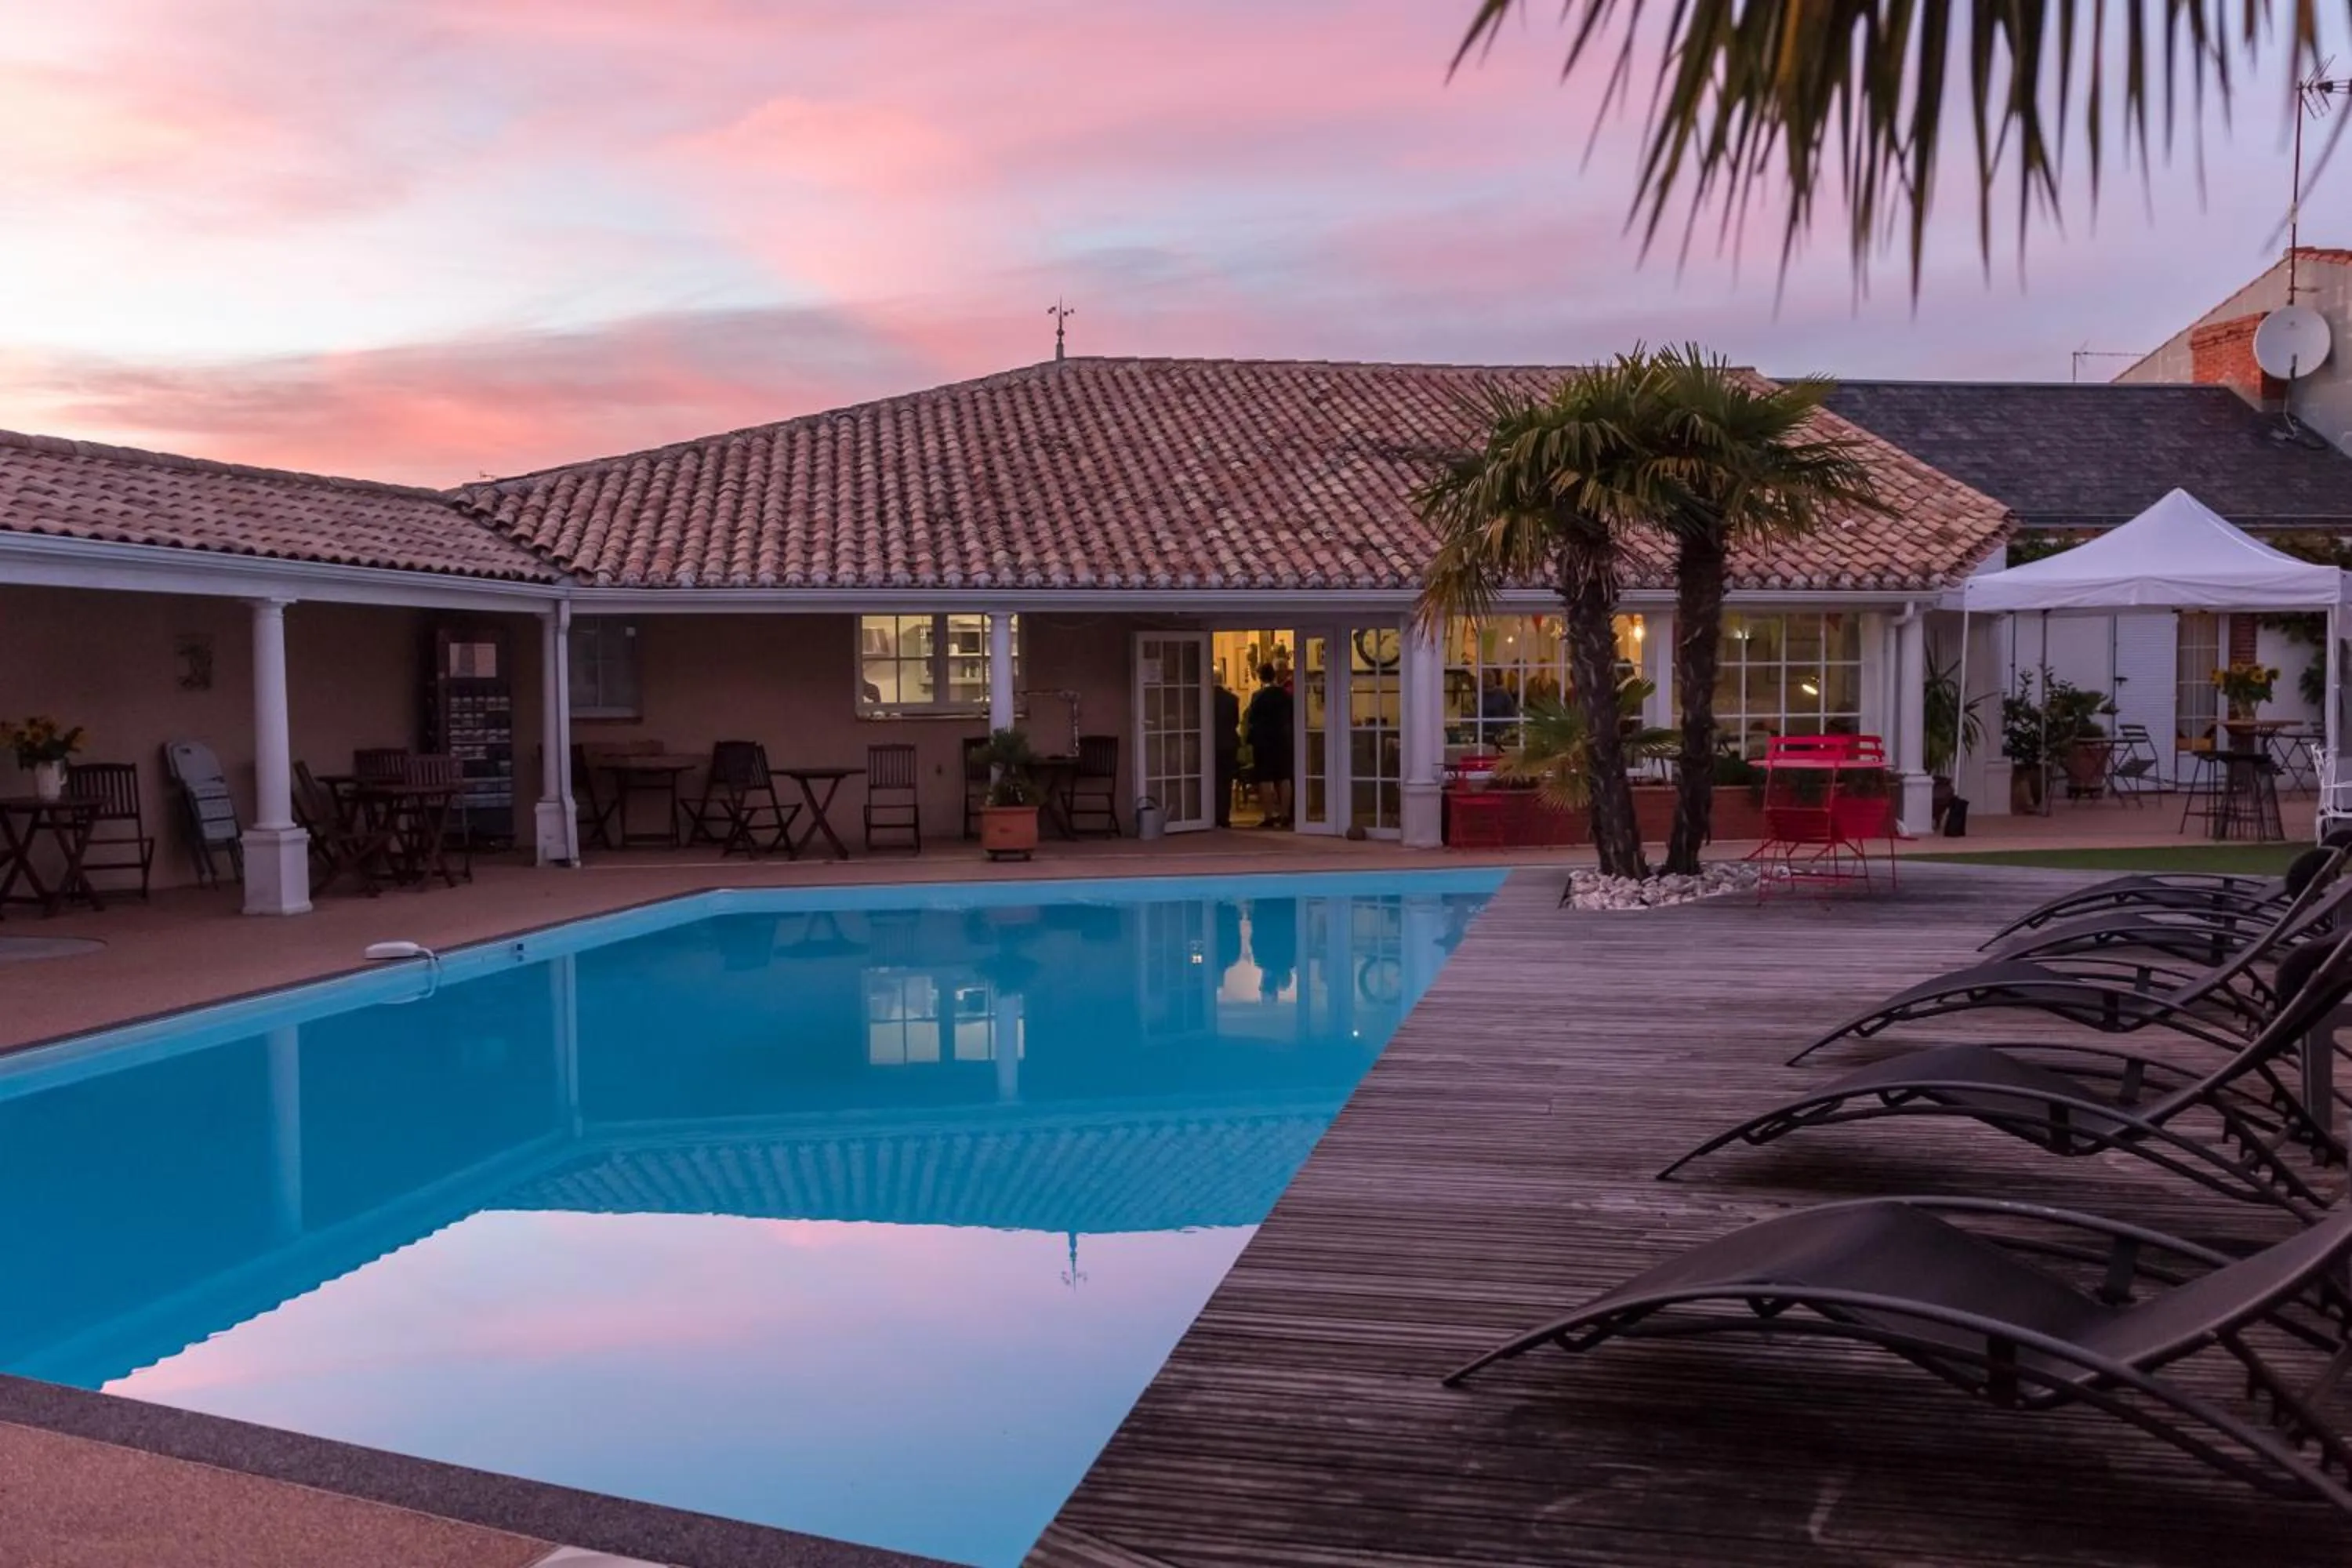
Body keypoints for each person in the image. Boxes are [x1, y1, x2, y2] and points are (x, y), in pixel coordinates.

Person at [1244, 662, 1294, 828]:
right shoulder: (1286, 696)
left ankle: (1269, 816)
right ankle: (1285, 815)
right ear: (1274, 675)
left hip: (1264, 743)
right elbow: (1292, 717)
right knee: (1284, 777)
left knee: (1265, 779)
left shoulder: (1258, 696)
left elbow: (1251, 719)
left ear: (1260, 677)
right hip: (1283, 740)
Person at [1214, 673, 1242, 828]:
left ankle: (1211, 814)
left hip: (1212, 744)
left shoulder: (1204, 698)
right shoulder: (1232, 699)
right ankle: (1224, 816)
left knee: (1212, 780)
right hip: (1229, 744)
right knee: (1226, 782)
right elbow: (1235, 721)